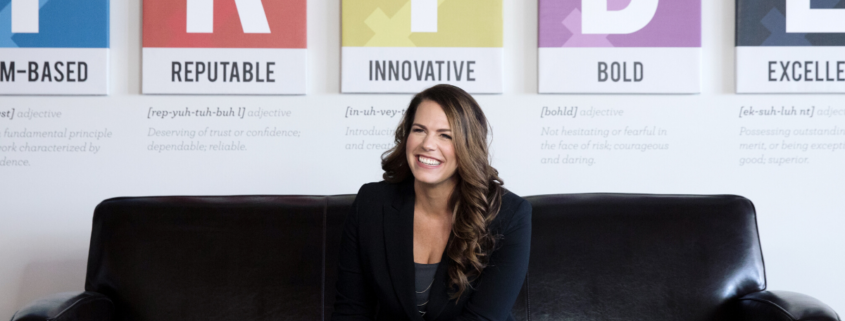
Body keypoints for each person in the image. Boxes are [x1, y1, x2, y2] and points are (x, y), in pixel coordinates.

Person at [332, 84, 532, 321]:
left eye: (445, 135)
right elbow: (350, 311)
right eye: (419, 130)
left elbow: (482, 318)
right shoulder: (371, 204)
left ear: (468, 146)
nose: (427, 144)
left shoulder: (509, 214)